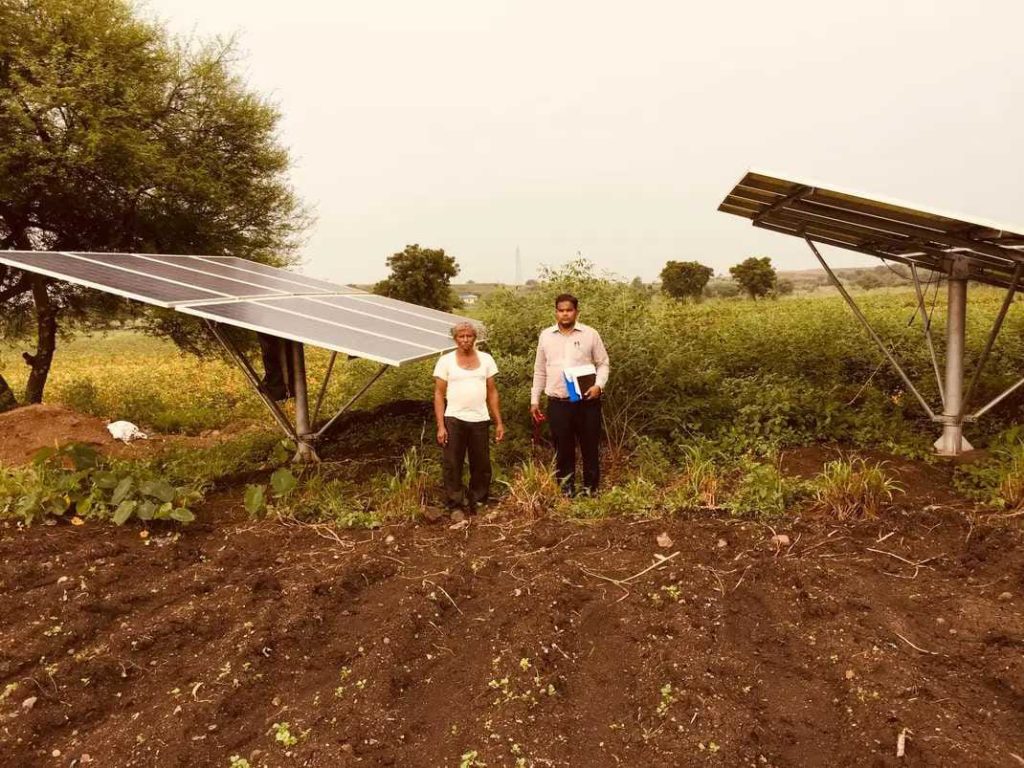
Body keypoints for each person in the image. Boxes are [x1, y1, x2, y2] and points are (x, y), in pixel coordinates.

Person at [530, 293, 610, 496]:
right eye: (561, 310)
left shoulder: (590, 334)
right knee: (562, 447)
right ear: (555, 312)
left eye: (569, 310)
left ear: (576, 312)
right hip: (558, 402)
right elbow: (539, 370)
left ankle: (591, 489)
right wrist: (534, 400)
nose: (565, 314)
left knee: (589, 445)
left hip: (586, 401)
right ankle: (566, 489)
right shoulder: (546, 336)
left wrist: (598, 386)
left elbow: (603, 363)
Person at [433, 321, 504, 514]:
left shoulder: (486, 359)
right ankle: (455, 502)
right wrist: (441, 425)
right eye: (461, 336)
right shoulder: (445, 361)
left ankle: (478, 499)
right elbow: (439, 394)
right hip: (454, 418)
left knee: (481, 462)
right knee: (452, 462)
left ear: (475, 338)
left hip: (479, 418)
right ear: (455, 339)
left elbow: (492, 392)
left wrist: (498, 422)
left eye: (469, 336)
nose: (465, 340)